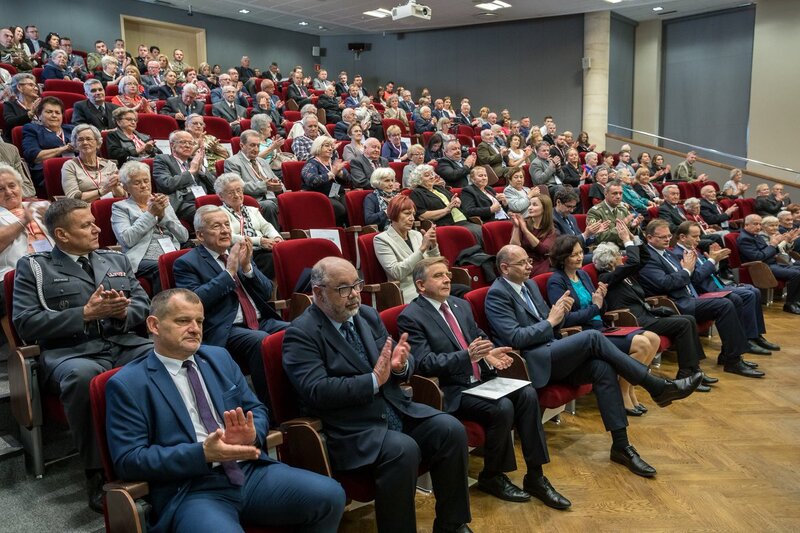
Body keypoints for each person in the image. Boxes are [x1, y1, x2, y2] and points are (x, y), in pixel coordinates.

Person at [105, 288, 345, 532]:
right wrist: (203, 453)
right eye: (183, 321)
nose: (195, 328)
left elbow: (257, 409)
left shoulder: (219, 357)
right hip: (193, 489)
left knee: (330, 495)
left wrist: (251, 434)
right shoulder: (128, 384)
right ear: (154, 325)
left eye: (199, 321)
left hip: (249, 472)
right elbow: (129, 460)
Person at [283, 256, 473, 533]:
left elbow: (397, 362)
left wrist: (401, 366)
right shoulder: (301, 333)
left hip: (395, 409)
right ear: (318, 293)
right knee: (403, 449)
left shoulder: (368, 316)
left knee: (450, 429)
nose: (354, 295)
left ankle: (452, 525)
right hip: (351, 428)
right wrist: (372, 381)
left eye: (357, 285)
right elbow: (316, 391)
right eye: (343, 289)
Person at [486, 244, 701, 475]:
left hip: (553, 347)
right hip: (532, 361)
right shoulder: (497, 294)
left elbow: (549, 323)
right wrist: (551, 321)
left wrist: (556, 318)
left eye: (529, 261)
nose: (529, 267)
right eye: (522, 263)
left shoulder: (528, 285)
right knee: (591, 337)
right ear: (505, 268)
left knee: (602, 367)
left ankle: (621, 445)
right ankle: (655, 385)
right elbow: (515, 337)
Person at [13, 198, 153, 511]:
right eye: (86, 225)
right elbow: (25, 323)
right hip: (71, 353)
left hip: (122, 343)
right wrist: (84, 314)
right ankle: (98, 473)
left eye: (93, 221)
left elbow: (144, 306)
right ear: (61, 235)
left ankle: (168, 448)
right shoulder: (35, 267)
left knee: (166, 358)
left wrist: (121, 313)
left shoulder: (114, 260)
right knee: (84, 378)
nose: (96, 228)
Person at [398, 257, 571, 508]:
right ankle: (492, 476)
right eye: (438, 276)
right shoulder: (411, 316)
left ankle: (536, 475)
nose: (447, 279)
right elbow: (425, 363)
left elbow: (478, 336)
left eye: (447, 274)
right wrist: (467, 356)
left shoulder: (460, 305)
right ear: (421, 286)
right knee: (503, 407)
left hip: (482, 380)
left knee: (527, 394)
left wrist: (488, 352)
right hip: (454, 389)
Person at [174, 205, 289, 401]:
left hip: (260, 320)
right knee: (260, 341)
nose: (226, 230)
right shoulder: (186, 263)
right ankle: (275, 408)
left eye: (227, 224)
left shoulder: (236, 253)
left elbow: (268, 292)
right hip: (225, 328)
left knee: (296, 331)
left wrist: (246, 268)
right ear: (200, 236)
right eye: (217, 226)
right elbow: (194, 301)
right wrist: (228, 273)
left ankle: (302, 398)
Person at [547, 235, 663, 412]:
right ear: (562, 258)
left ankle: (630, 390)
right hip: (584, 335)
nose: (579, 257)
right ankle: (622, 393)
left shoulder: (583, 274)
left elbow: (600, 309)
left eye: (580, 253)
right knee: (641, 344)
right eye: (574, 255)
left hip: (601, 327)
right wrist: (595, 306)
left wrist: (601, 297)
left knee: (653, 339)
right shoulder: (556, 281)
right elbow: (564, 320)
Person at [593, 229, 714, 397]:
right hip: (635, 320)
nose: (622, 257)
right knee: (685, 323)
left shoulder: (624, 275)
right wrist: (626, 241)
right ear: (611, 260)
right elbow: (634, 261)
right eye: (618, 255)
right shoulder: (608, 277)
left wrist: (634, 238)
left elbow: (644, 258)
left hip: (646, 314)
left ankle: (694, 370)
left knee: (688, 319)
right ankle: (687, 373)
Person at [638, 219, 765, 377]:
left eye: (668, 236)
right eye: (662, 237)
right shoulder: (647, 258)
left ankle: (729, 356)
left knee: (735, 299)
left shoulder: (667, 253)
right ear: (649, 238)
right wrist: (686, 271)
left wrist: (686, 272)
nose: (667, 239)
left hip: (688, 297)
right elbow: (665, 283)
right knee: (724, 304)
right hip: (675, 303)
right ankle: (732, 361)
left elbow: (685, 277)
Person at [672, 220, 778, 347]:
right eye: (695, 236)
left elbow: (707, 271)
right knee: (747, 294)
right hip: (705, 290)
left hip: (715, 284)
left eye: (699, 236)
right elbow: (695, 278)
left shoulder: (694, 249)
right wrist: (711, 260)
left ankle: (756, 335)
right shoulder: (679, 254)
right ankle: (748, 337)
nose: (699, 239)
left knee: (753, 290)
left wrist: (715, 262)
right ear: (683, 237)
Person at [111, 161, 188, 293]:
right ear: (126, 187)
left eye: (146, 181)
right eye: (137, 183)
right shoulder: (120, 208)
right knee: (161, 266)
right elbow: (127, 239)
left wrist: (164, 217)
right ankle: (163, 309)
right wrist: (150, 214)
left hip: (171, 250)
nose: (143, 186)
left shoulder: (161, 202)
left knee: (195, 260)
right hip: (141, 257)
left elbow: (184, 236)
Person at [0, 164, 51, 312]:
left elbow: (67, 236)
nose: (9, 192)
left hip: (54, 264)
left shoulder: (43, 206)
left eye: (12, 185)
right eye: (1, 189)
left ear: (20, 187)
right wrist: (23, 222)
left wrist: (57, 223)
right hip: (15, 271)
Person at [374, 195, 443, 304]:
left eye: (413, 214)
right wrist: (422, 249)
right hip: (408, 290)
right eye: (407, 214)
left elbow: (434, 265)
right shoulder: (381, 239)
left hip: (429, 284)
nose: (411, 218)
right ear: (393, 214)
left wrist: (433, 246)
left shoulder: (416, 235)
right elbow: (396, 273)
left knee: (461, 291)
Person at [216, 173, 282, 279]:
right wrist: (259, 241)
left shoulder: (252, 210)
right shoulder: (220, 213)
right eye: (231, 192)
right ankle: (260, 291)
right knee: (271, 259)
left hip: (261, 250)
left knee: (282, 254)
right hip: (239, 252)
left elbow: (267, 226)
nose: (237, 195)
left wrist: (276, 238)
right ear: (221, 196)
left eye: (239, 190)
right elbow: (230, 237)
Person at [737, 214, 800, 315]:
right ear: (746, 224)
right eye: (755, 224)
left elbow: (770, 251)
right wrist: (772, 244)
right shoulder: (745, 239)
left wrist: (783, 242)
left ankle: (797, 301)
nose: (758, 227)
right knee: (796, 274)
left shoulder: (755, 236)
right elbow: (757, 257)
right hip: (762, 267)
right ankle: (789, 304)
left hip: (772, 263)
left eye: (759, 224)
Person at [409, 164, 483, 245]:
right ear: (418, 179)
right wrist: (446, 210)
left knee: (484, 231)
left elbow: (454, 199)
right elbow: (422, 216)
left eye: (432, 174)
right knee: (475, 233)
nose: (431, 177)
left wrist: (457, 201)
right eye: (427, 175)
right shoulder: (417, 193)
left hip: (463, 220)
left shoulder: (439, 188)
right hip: (448, 224)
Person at [223, 129, 283, 230]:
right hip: (253, 200)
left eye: (258, 146)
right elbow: (238, 187)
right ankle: (275, 239)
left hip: (272, 197)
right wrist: (265, 186)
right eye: (252, 145)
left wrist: (279, 186)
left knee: (294, 201)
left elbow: (276, 180)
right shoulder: (232, 162)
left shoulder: (262, 161)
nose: (256, 149)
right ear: (242, 146)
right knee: (269, 206)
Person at [152, 130, 215, 222]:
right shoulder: (162, 159)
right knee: (208, 215)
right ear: (172, 145)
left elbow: (214, 187)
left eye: (191, 143)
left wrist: (201, 168)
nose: (188, 145)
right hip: (183, 202)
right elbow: (167, 184)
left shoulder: (193, 161)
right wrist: (191, 171)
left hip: (203, 198)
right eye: (183, 142)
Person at [60, 124, 125, 201]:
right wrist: (103, 190)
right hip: (84, 207)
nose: (85, 142)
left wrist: (115, 186)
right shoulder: (70, 165)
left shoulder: (110, 165)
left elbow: (122, 195)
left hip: (111, 206)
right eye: (80, 139)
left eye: (89, 139)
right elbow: (73, 197)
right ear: (75, 144)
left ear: (98, 143)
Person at [22, 96, 75, 188]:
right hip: (48, 172)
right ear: (39, 115)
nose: (54, 115)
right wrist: (63, 149)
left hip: (77, 168)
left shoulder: (71, 129)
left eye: (57, 112)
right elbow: (34, 156)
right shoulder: (32, 129)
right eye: (49, 112)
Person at [300, 136, 350, 227]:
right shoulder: (312, 163)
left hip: (337, 194)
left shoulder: (334, 162)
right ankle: (338, 231)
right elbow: (312, 180)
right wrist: (331, 174)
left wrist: (339, 173)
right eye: (327, 146)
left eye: (331, 146)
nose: (330, 148)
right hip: (319, 196)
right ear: (318, 147)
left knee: (351, 206)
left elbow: (349, 179)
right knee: (339, 209)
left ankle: (350, 232)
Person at [552, 188, 605, 264]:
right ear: (558, 202)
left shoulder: (571, 217)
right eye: (569, 206)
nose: (571, 210)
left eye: (573, 207)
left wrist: (593, 234)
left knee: (608, 252)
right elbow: (562, 247)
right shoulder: (552, 220)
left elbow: (581, 240)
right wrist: (586, 234)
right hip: (568, 257)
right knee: (604, 256)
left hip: (580, 253)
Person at [586, 180, 643, 248]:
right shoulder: (595, 212)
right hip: (607, 250)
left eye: (620, 193)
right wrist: (623, 224)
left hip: (625, 246)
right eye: (614, 193)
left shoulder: (623, 209)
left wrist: (633, 227)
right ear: (605, 194)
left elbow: (630, 234)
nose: (618, 196)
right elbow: (597, 238)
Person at [510, 194, 556, 277]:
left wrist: (525, 231)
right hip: (522, 262)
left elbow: (544, 251)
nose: (529, 208)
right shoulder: (523, 223)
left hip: (540, 263)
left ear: (545, 208)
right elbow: (513, 248)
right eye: (529, 205)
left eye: (534, 205)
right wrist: (517, 228)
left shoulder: (551, 230)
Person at [3, 73, 40, 142]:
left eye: (35, 85)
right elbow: (10, 122)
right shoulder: (9, 105)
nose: (36, 88)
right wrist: (30, 114)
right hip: (21, 142)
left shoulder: (41, 105)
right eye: (31, 85)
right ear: (19, 88)